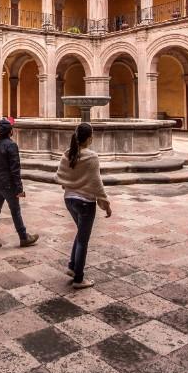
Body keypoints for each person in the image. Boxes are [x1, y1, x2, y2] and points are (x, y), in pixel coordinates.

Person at [55, 122, 111, 289]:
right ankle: (79, 278)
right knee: (83, 241)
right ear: (89, 138)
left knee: (81, 234)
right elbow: (96, 182)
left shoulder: (68, 153)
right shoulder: (91, 156)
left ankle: (73, 267)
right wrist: (105, 203)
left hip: (69, 200)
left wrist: (69, 184)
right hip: (85, 202)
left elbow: (61, 175)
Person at [0, 118, 39, 250]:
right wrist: (19, 189)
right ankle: (24, 237)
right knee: (15, 211)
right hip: (8, 185)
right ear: (10, 131)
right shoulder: (11, 145)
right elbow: (15, 169)